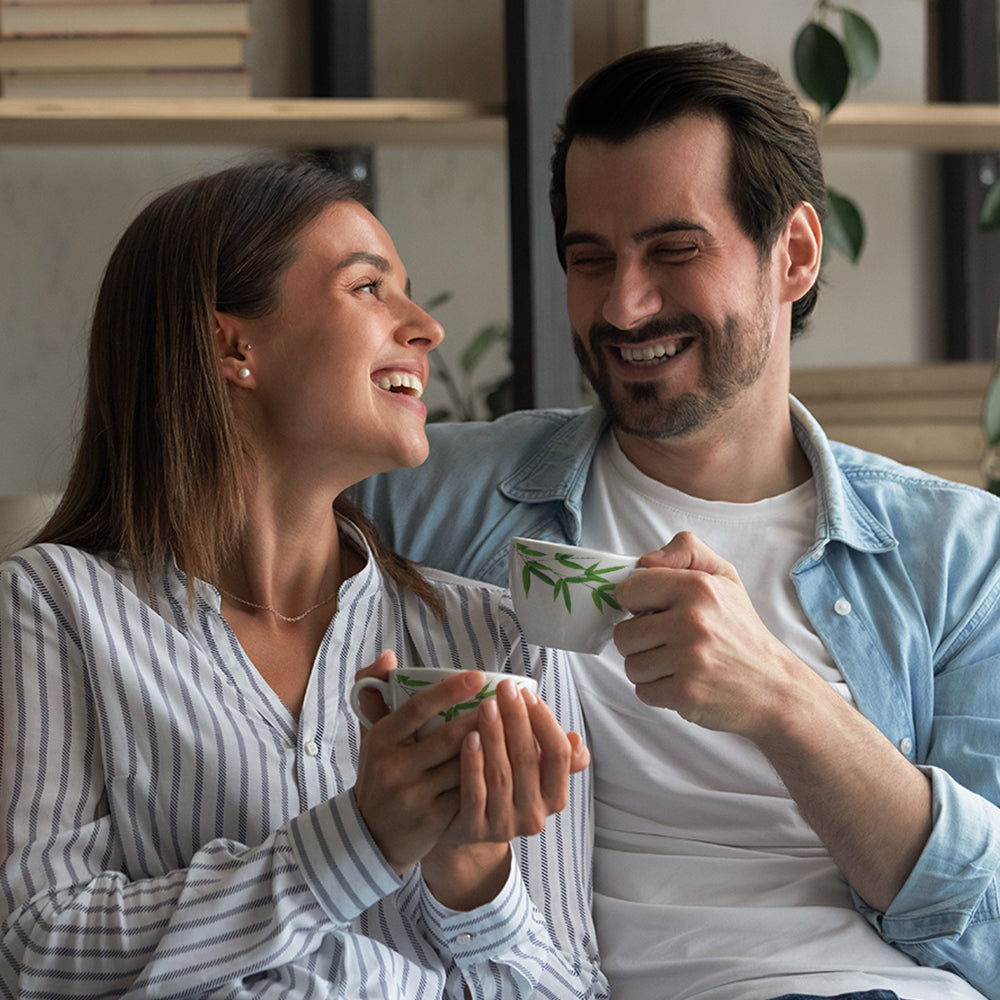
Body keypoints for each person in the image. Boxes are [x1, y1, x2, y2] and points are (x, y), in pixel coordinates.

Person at [352, 41, 1000, 1000]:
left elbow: (989, 930)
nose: (624, 304)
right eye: (590, 259)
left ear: (796, 254)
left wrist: (782, 699)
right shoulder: (426, 491)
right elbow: (191, 509)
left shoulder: (956, 553)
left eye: (674, 251)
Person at [0, 159, 609, 998]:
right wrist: (360, 839)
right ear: (233, 346)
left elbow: (572, 989)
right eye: (369, 289)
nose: (425, 327)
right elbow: (37, 951)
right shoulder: (54, 607)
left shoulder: (502, 641)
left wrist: (473, 875)